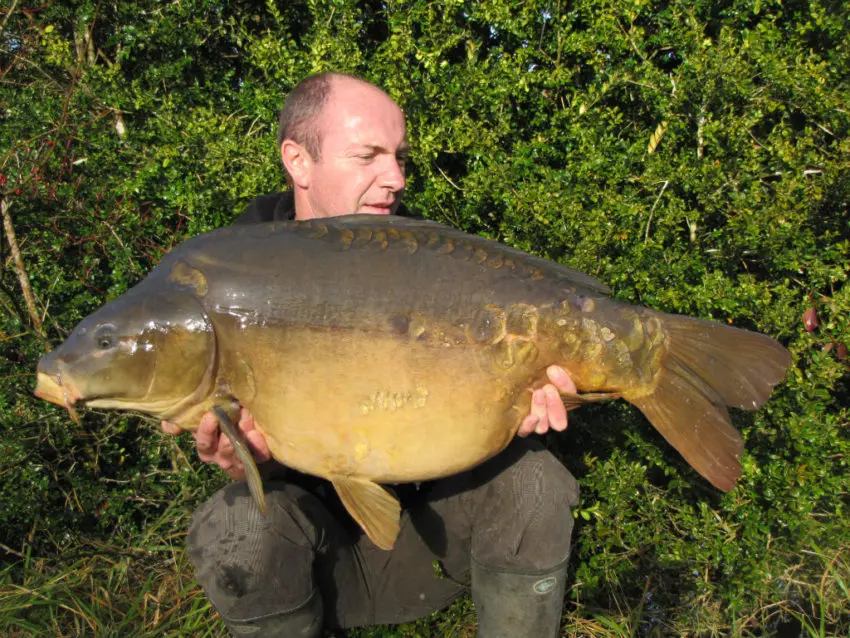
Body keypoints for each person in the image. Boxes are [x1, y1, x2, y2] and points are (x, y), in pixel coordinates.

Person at [162, 72, 581, 637]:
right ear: (298, 161)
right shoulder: (230, 273)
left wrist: (533, 407)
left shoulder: (427, 257)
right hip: (318, 556)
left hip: (437, 536)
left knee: (538, 480)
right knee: (234, 524)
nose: (396, 178)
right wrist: (249, 460)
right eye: (368, 156)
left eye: (399, 156)